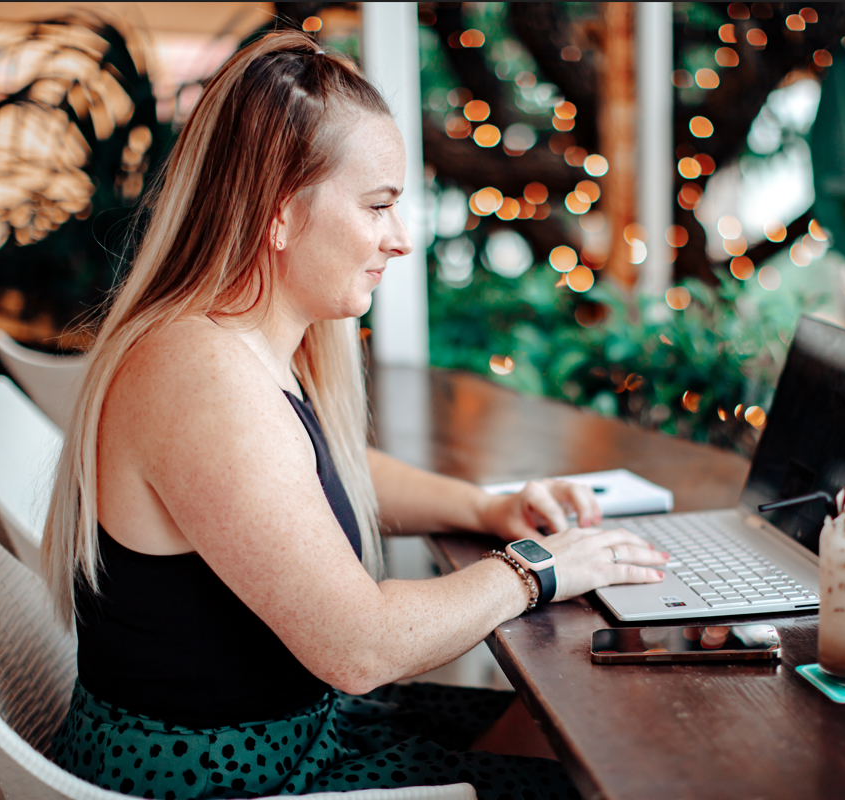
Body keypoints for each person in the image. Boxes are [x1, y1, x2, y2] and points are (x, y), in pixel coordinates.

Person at [42, 29, 668, 800]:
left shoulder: (233, 342)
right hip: (224, 774)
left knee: (577, 736)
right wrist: (539, 569)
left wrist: (486, 508)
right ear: (278, 212)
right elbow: (362, 648)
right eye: (378, 206)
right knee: (603, 772)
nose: (399, 241)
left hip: (290, 735)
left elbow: (310, 474)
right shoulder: (201, 377)